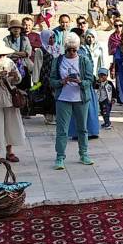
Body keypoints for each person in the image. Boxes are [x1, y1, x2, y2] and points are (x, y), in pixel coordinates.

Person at [50, 33, 96, 170]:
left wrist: (80, 82)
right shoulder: (58, 60)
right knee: (62, 130)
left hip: (81, 98)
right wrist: (61, 82)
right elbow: (52, 80)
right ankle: (60, 156)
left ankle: (84, 154)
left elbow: (90, 80)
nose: (71, 52)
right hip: (63, 98)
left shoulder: (84, 60)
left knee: (82, 128)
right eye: (68, 50)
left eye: (74, 50)